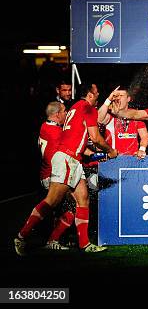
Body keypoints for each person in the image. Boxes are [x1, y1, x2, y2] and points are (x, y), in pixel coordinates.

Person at [15, 84, 118, 255]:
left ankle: (84, 244)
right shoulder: (87, 108)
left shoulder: (76, 107)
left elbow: (79, 137)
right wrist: (110, 151)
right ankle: (21, 236)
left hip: (72, 159)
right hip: (67, 159)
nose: (98, 93)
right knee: (51, 201)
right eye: (96, 91)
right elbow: (96, 137)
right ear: (90, 95)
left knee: (83, 199)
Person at [37, 101, 76, 250]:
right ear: (57, 114)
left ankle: (57, 238)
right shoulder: (57, 133)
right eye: (65, 111)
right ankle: (53, 239)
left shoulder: (44, 126)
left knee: (59, 208)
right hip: (53, 176)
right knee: (74, 206)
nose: (66, 114)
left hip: (47, 174)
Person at [98, 86, 148, 158]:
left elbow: (144, 136)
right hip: (114, 160)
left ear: (128, 99)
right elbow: (99, 119)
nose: (118, 98)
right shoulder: (110, 115)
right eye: (116, 96)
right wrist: (109, 99)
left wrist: (142, 149)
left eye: (121, 95)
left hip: (132, 160)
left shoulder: (135, 115)